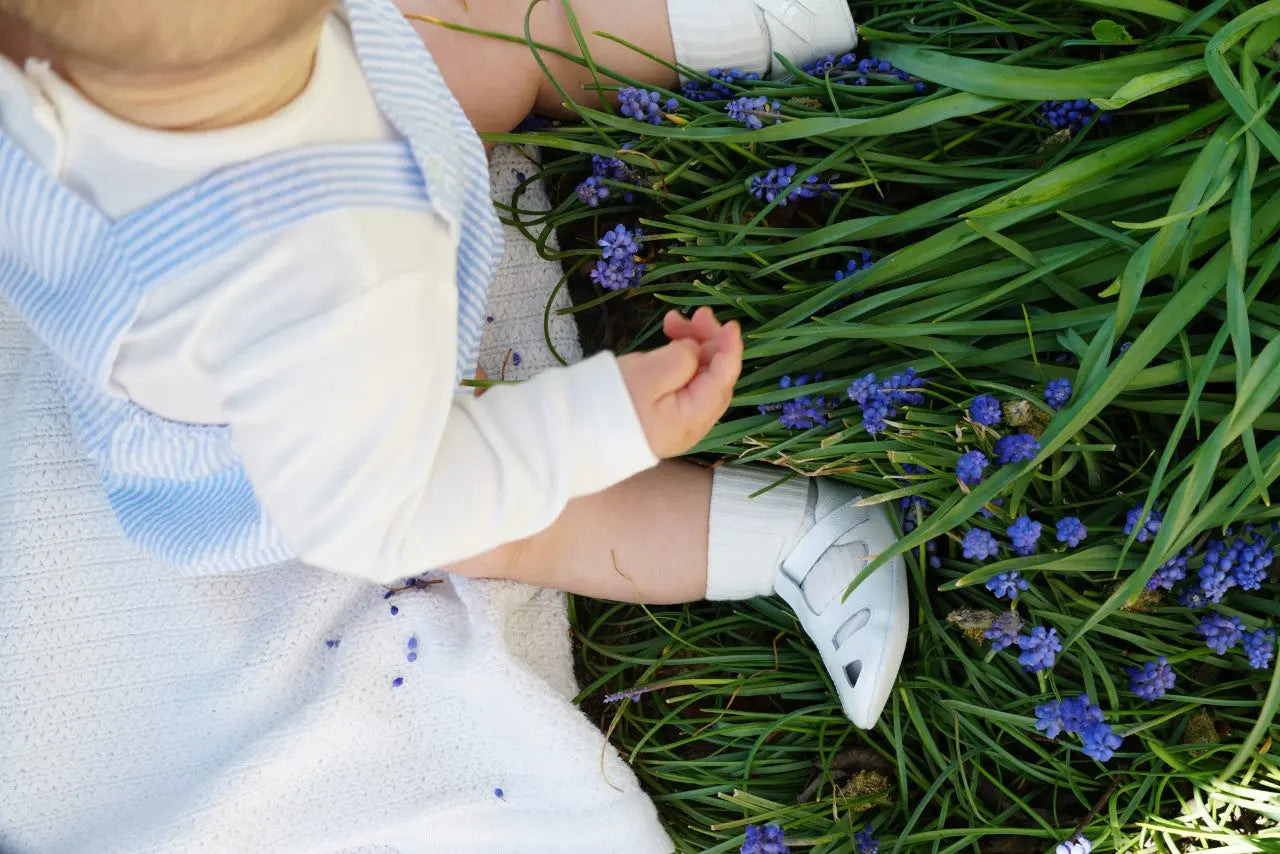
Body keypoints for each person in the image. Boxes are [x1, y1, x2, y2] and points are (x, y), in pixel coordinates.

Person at [0, 0, 905, 730]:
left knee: (483, 31)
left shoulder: (67, 53)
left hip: (342, 115)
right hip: (268, 444)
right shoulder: (316, 285)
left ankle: (721, 24)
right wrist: (597, 422)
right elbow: (373, 520)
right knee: (500, 520)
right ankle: (796, 539)